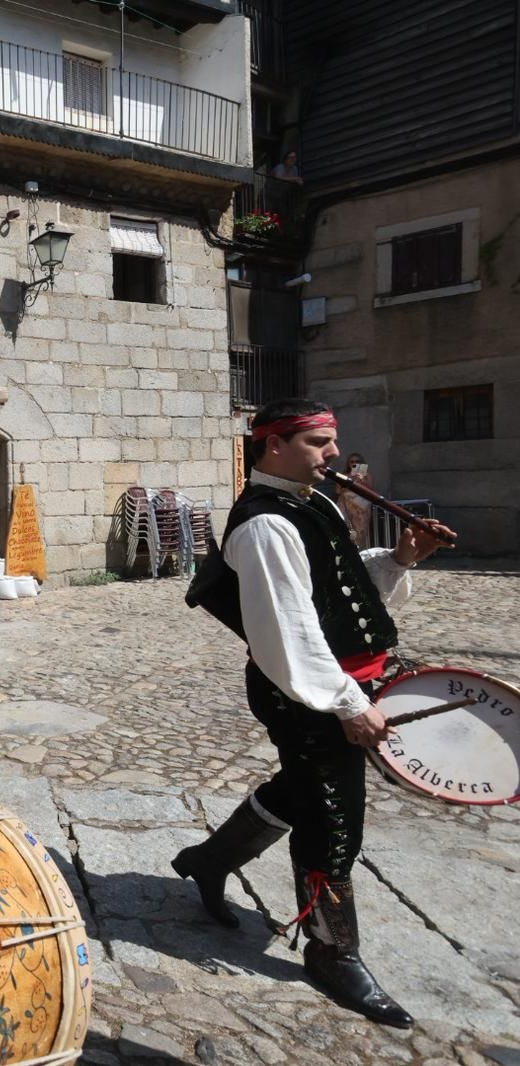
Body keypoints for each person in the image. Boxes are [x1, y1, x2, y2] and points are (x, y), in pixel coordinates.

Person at [178, 399, 452, 1029]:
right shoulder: (265, 524)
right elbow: (287, 632)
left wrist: (402, 559)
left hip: (339, 681)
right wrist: (349, 704)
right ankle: (333, 951)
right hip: (302, 693)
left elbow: (336, 589)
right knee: (333, 817)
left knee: (304, 791)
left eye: (332, 441)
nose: (333, 454)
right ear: (274, 445)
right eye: (318, 442)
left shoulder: (314, 502)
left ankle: (210, 861)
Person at [338, 452, 374, 548]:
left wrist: (363, 481)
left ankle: (360, 551)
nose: (354, 463)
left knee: (361, 530)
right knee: (347, 529)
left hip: (361, 507)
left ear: (361, 462)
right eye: (352, 461)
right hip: (346, 504)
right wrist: (349, 481)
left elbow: (371, 491)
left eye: (357, 461)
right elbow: (337, 491)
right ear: (348, 463)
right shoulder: (343, 475)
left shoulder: (366, 475)